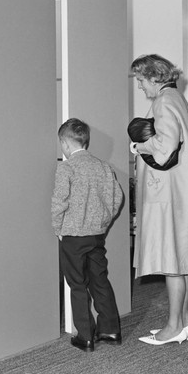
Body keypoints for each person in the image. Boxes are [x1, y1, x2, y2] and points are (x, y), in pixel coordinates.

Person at [130, 54, 188, 346]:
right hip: (181, 190)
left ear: (153, 77)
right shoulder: (176, 98)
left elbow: (164, 146)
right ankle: (184, 322)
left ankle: (173, 326)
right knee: (182, 259)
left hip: (169, 193)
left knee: (172, 261)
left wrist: (138, 146)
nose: (140, 86)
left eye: (140, 80)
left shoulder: (163, 101)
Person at [51, 118, 123, 352]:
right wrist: (104, 220)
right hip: (96, 235)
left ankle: (85, 335)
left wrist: (58, 228)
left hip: (73, 236)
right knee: (100, 280)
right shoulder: (102, 166)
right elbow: (117, 198)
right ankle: (110, 329)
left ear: (65, 143)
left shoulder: (67, 167)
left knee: (78, 285)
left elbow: (59, 202)